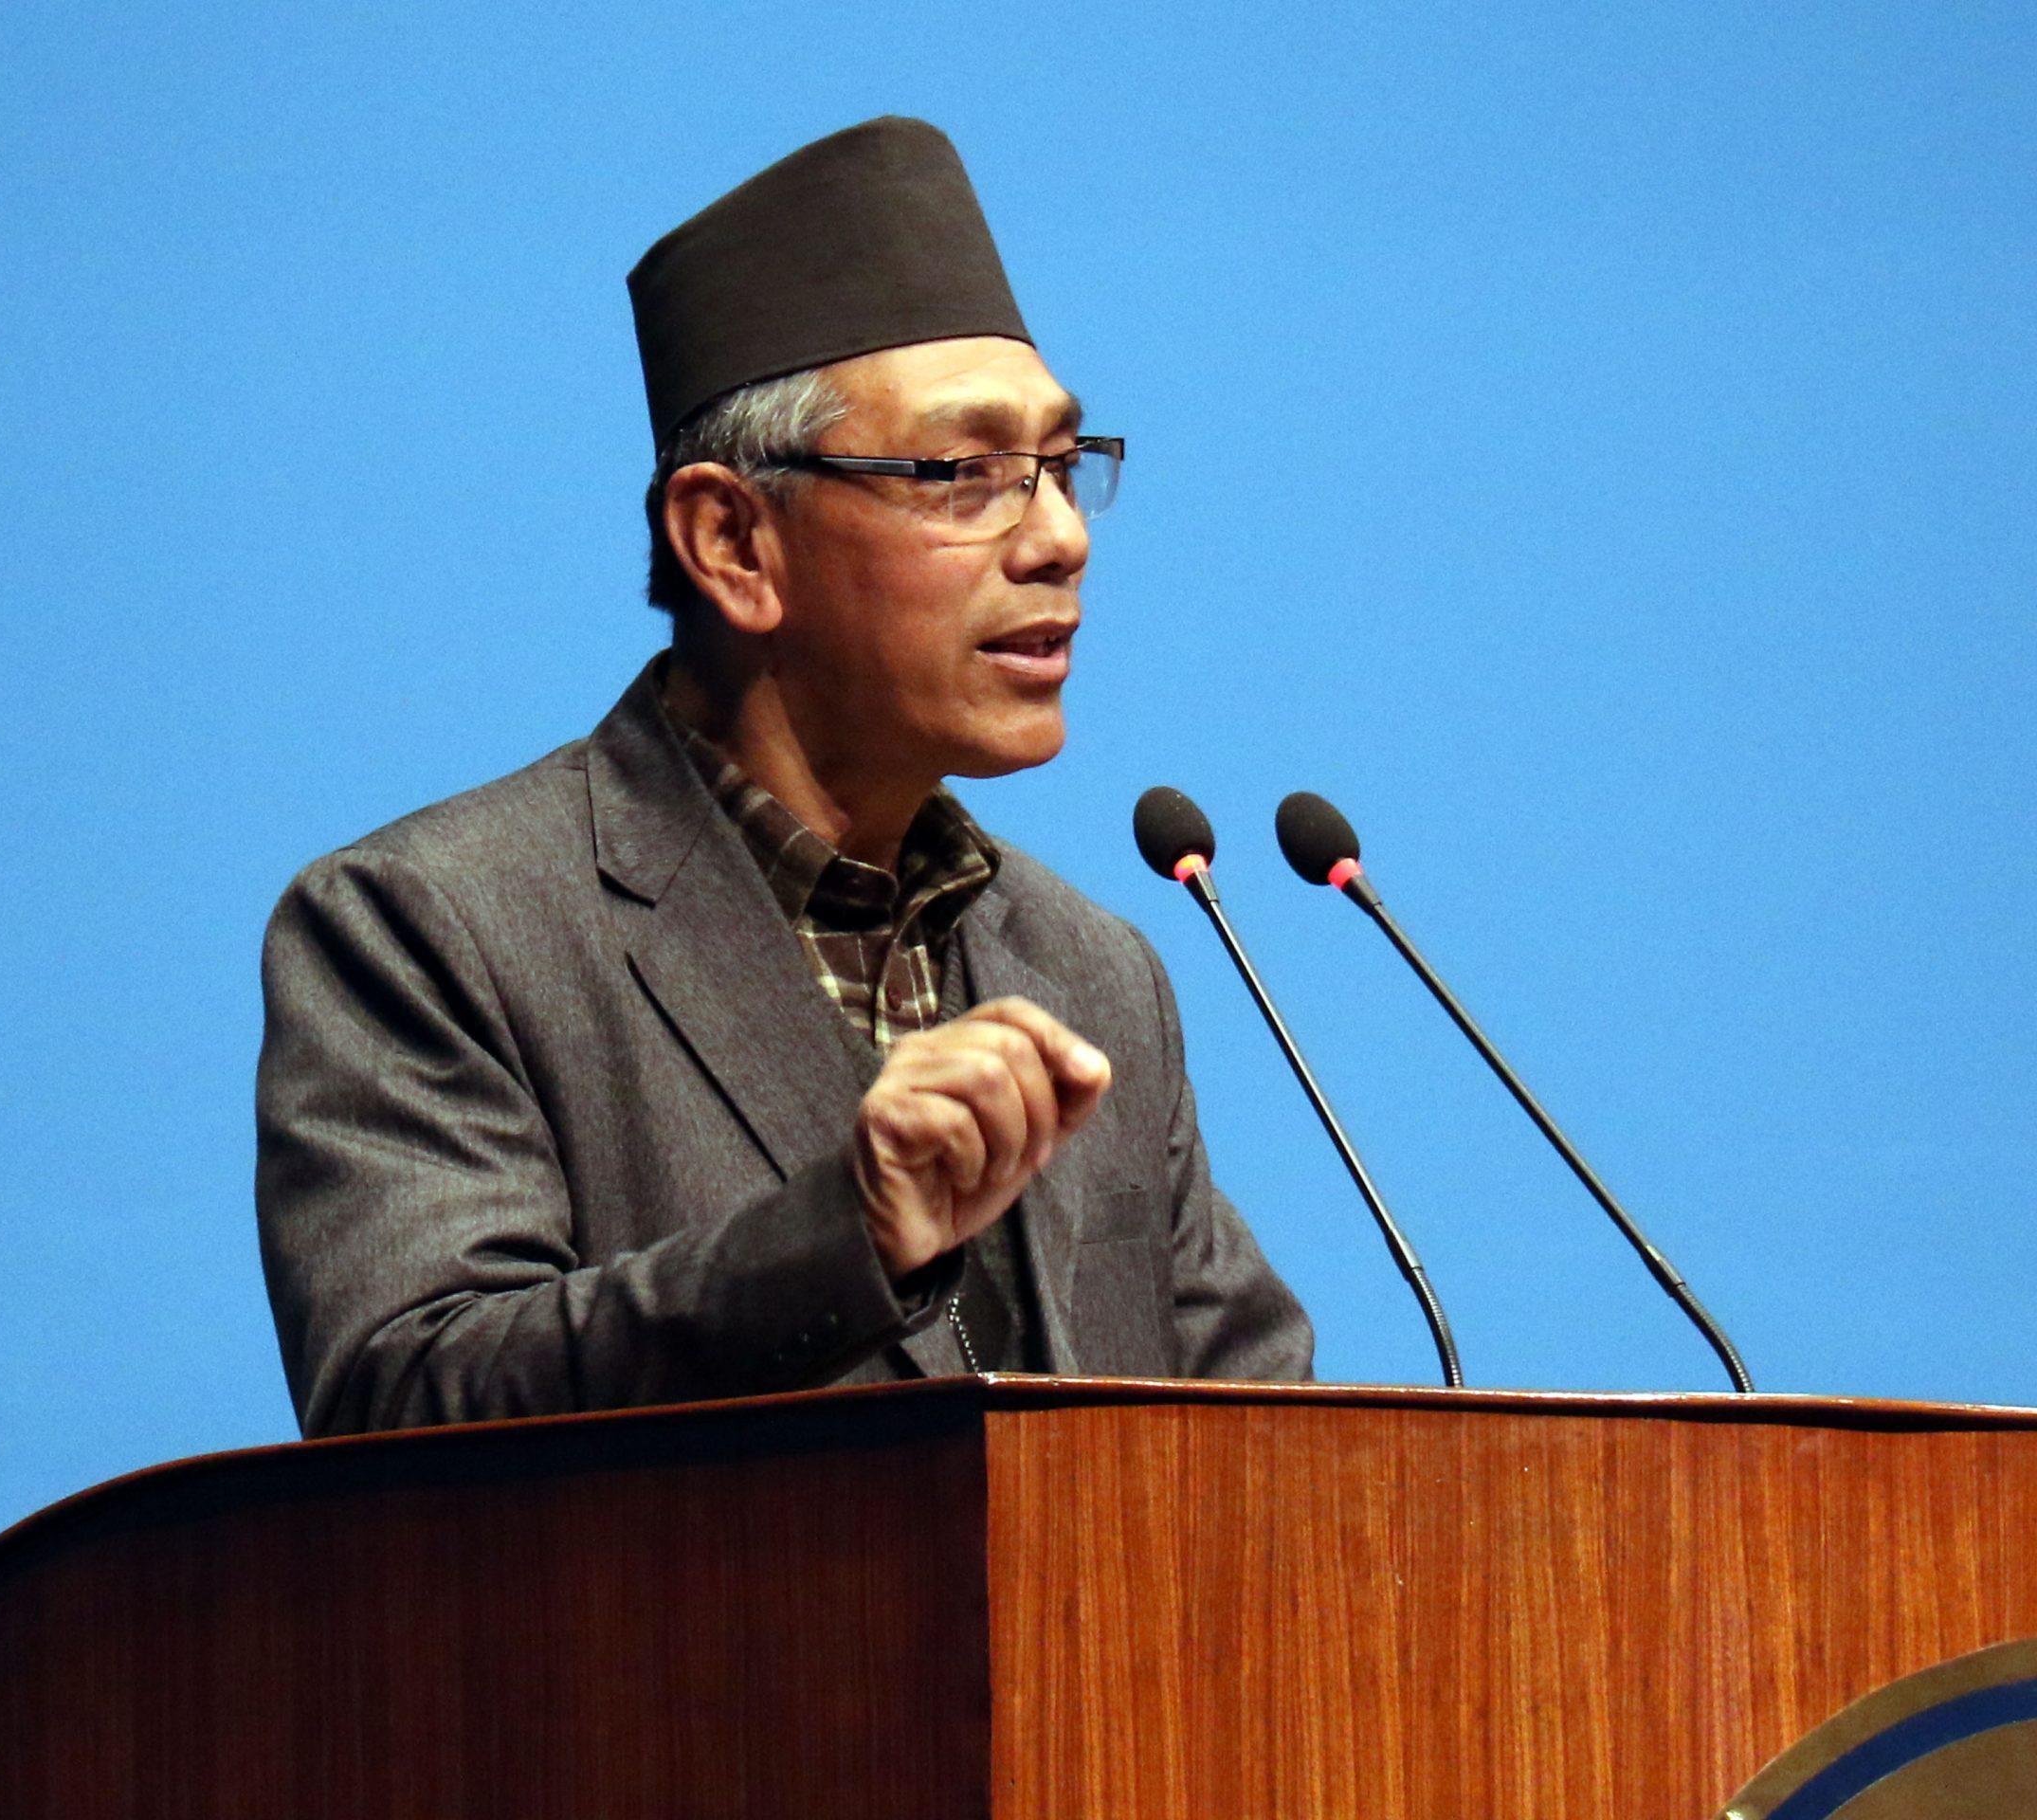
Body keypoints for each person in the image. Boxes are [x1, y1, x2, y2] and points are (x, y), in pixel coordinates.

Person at [256, 117, 1312, 1437]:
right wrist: (840, 1237)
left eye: (1059, 466)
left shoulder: (1093, 970)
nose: (1058, 536)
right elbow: (408, 1407)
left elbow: (1266, 1454)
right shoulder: (434, 927)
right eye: (966, 473)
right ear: (733, 542)